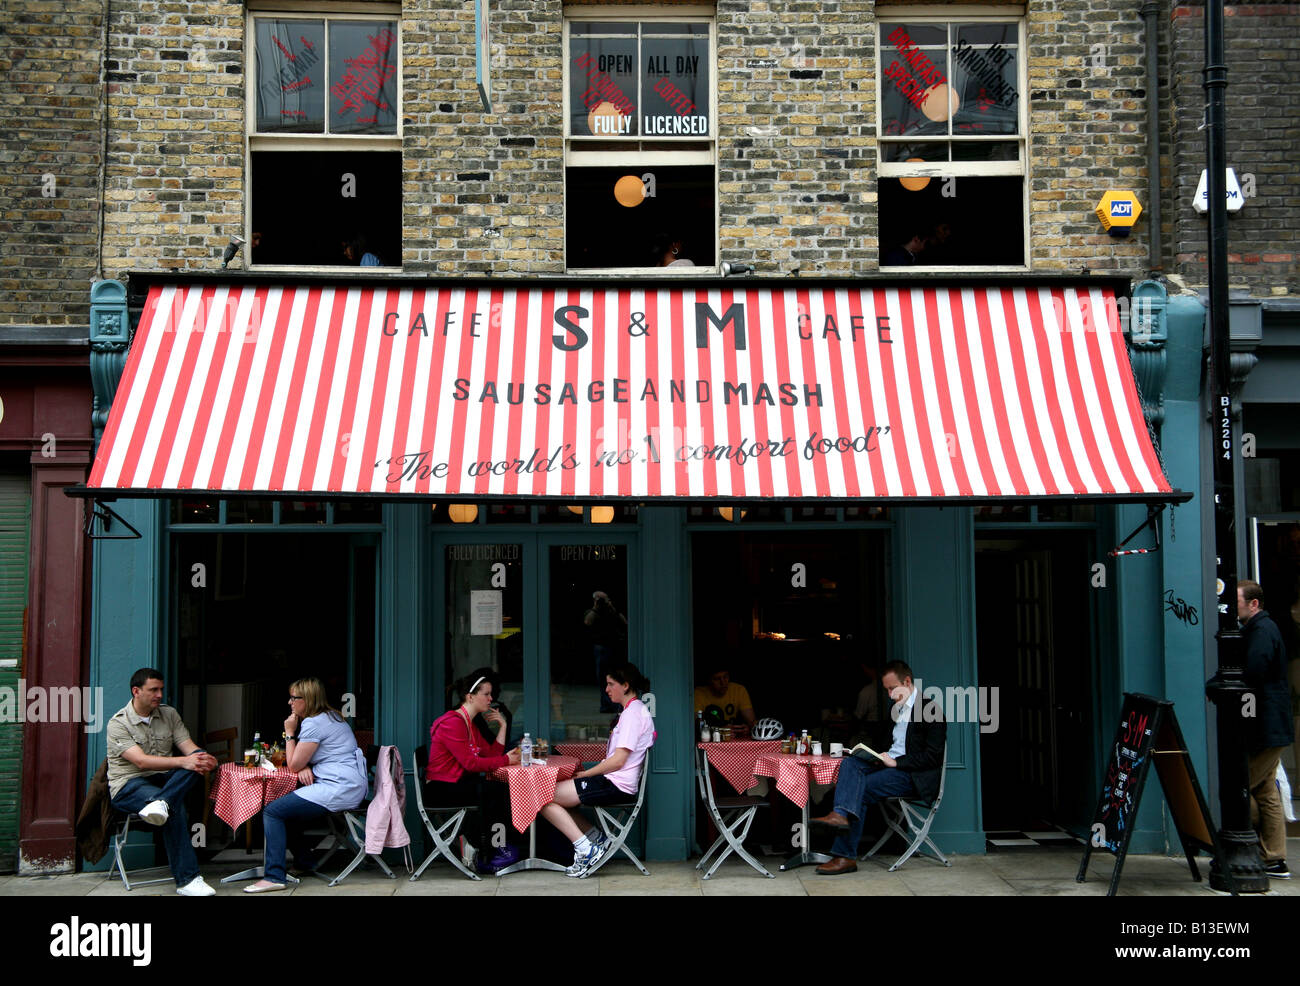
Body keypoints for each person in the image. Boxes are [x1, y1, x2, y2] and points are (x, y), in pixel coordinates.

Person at [811, 661, 946, 875]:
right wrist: (874, 756)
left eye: (893, 688)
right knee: (851, 762)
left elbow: (933, 757)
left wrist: (897, 762)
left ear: (907, 682)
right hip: (889, 767)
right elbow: (890, 745)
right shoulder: (897, 709)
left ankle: (845, 856)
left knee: (859, 788)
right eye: (887, 690)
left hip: (911, 775)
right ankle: (840, 815)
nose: (890, 694)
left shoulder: (930, 710)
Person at [245, 677, 368, 892]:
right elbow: (303, 761)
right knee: (286, 810)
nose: (290, 703)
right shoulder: (332, 716)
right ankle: (305, 861)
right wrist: (303, 766)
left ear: (308, 699)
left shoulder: (313, 723)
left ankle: (274, 876)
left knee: (273, 811)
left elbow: (292, 764)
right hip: (349, 784)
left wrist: (290, 732)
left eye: (294, 698)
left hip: (338, 787)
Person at [106, 667, 219, 896]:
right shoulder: (117, 723)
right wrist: (185, 762)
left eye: (161, 690)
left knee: (193, 766)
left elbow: (188, 747)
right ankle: (188, 881)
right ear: (136, 691)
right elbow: (141, 763)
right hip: (129, 785)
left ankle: (162, 802)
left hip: (162, 783)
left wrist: (203, 757)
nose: (159, 694)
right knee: (175, 807)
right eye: (153, 690)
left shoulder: (169, 714)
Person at [539, 664, 654, 877]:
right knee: (559, 798)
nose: (607, 689)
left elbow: (618, 761)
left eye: (611, 684)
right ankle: (595, 838)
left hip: (615, 784)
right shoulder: (633, 711)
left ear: (626, 685)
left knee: (542, 797)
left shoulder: (632, 714)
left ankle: (586, 848)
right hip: (615, 782)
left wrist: (586, 774)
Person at [424, 670, 520, 872]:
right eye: (486, 694)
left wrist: (502, 725)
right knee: (496, 791)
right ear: (470, 696)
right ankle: (492, 849)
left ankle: (494, 848)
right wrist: (506, 759)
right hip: (441, 788)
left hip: (457, 783)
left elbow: (491, 753)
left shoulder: (469, 723)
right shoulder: (453, 723)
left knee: (498, 789)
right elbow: (470, 764)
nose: (491, 699)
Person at [1239, 580, 1292, 879]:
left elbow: (1253, 671)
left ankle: (1260, 850)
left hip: (1268, 727)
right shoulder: (1263, 629)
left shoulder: (1261, 631)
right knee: (1266, 790)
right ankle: (1274, 856)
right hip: (1273, 726)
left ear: (1253, 604)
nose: (1234, 606)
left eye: (1237, 600)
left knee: (1240, 784)